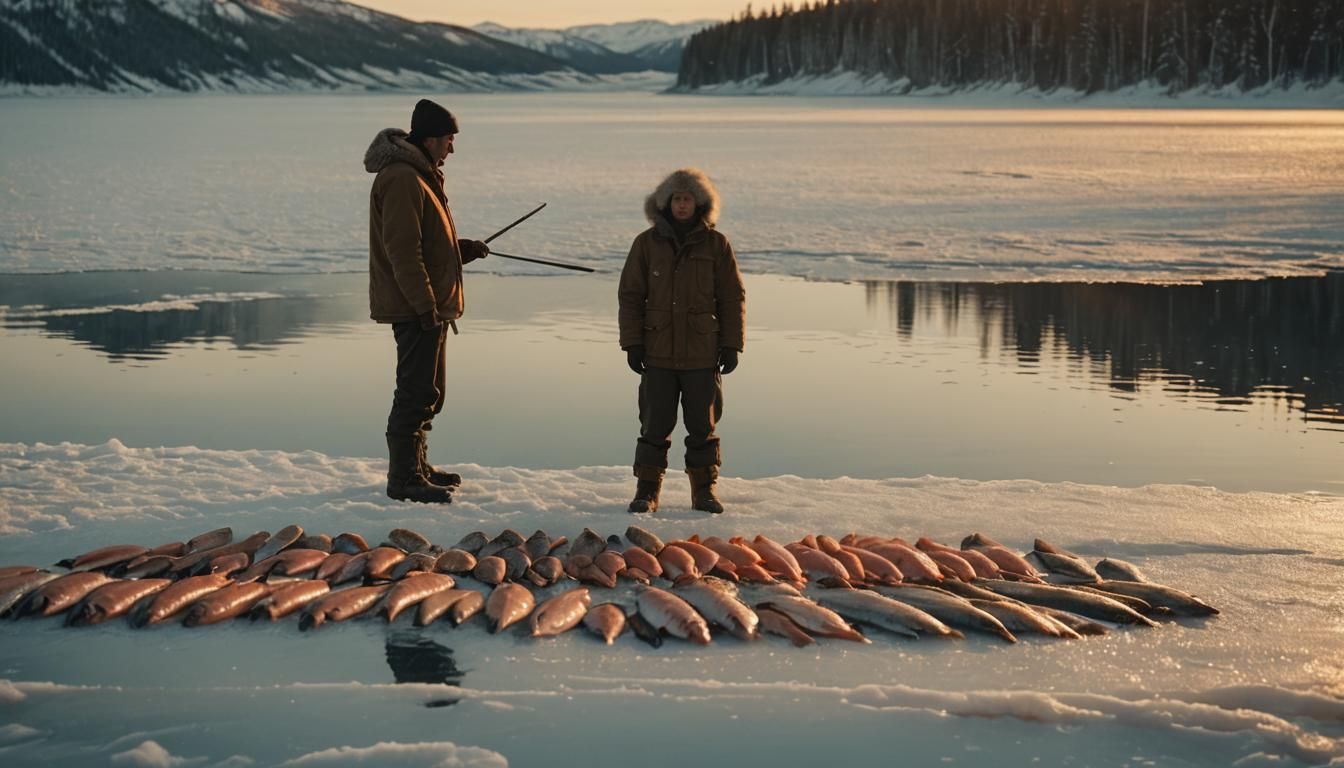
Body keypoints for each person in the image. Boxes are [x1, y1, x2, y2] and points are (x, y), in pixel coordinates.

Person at [364, 99, 490, 504]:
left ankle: (417, 467)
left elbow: (424, 241)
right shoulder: (403, 178)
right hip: (417, 307)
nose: (452, 148)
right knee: (415, 392)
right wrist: (425, 306)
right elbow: (403, 250)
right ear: (431, 139)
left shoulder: (420, 175)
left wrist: (459, 249)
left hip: (427, 304)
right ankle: (403, 479)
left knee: (429, 390)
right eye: (449, 140)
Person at [618, 168, 746, 515]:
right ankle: (647, 492)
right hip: (657, 353)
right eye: (676, 198)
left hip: (702, 354)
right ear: (666, 203)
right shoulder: (646, 244)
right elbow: (630, 295)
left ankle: (703, 492)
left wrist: (732, 344)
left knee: (703, 428)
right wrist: (633, 343)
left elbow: (732, 298)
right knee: (653, 426)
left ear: (700, 203)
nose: (682, 205)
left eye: (688, 198)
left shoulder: (716, 245)